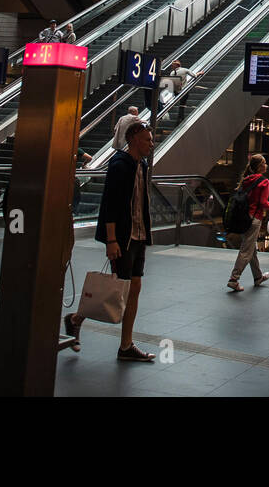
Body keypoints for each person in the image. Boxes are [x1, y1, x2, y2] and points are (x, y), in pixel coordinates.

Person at [63, 121, 157, 362]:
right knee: (119, 288)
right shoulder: (119, 165)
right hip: (123, 238)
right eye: (147, 139)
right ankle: (76, 319)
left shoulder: (141, 165)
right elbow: (110, 205)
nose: (151, 144)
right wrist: (111, 239)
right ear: (134, 139)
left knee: (133, 287)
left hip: (138, 235)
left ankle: (126, 345)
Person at [227, 154, 269, 292]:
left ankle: (258, 277)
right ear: (260, 166)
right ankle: (233, 279)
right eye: (264, 163)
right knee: (246, 250)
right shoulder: (264, 181)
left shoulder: (246, 179)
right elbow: (263, 203)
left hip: (243, 218)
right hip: (254, 219)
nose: (266, 165)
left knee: (251, 249)